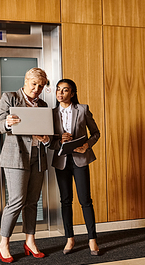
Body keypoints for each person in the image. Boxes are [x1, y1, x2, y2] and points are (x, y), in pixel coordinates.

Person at [0, 67, 50, 263]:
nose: (37, 89)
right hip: (16, 157)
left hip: (37, 157)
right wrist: (8, 123)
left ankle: (30, 241)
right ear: (26, 81)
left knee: (32, 202)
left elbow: (48, 134)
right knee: (16, 200)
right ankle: (4, 243)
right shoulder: (9, 98)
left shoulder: (43, 105)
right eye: (34, 84)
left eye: (41, 86)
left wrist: (45, 139)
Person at [49, 79, 101, 255]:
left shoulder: (82, 109)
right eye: (58, 90)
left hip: (80, 160)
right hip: (61, 161)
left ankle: (92, 240)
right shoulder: (51, 113)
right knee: (65, 201)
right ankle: (69, 239)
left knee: (85, 200)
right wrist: (58, 141)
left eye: (65, 90)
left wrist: (86, 146)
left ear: (72, 93)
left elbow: (96, 133)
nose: (60, 93)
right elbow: (49, 142)